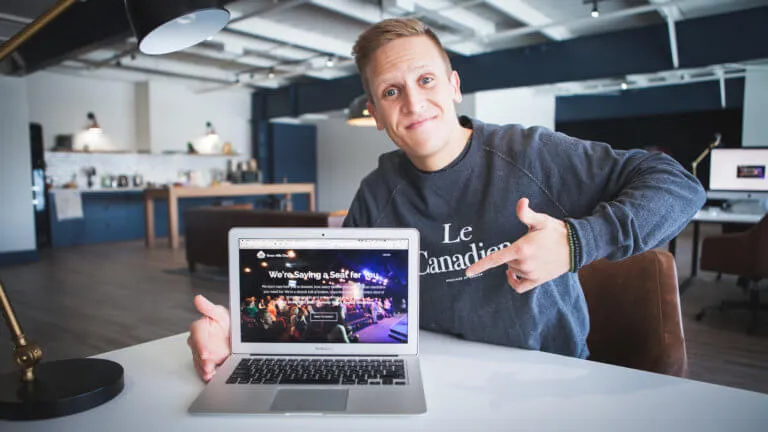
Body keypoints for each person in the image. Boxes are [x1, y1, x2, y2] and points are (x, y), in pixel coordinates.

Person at [187, 18, 705, 382]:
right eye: (391, 92)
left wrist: (576, 242)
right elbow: (338, 298)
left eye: (426, 79)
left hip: (547, 379)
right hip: (428, 375)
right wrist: (252, 331)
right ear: (375, 111)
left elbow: (677, 185)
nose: (413, 102)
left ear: (454, 86)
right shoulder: (377, 192)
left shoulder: (533, 153)